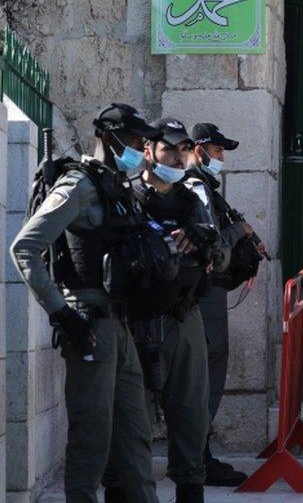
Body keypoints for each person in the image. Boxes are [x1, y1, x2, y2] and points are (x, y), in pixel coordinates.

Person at [9, 103, 160, 503]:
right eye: (131, 140)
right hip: (90, 325)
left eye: (141, 141)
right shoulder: (79, 185)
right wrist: (63, 315)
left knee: (135, 436)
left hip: (120, 324)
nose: (138, 148)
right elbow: (24, 247)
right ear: (107, 137)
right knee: (91, 441)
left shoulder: (117, 186)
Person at [122, 117, 224, 502]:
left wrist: (206, 242)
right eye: (170, 148)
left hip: (183, 317)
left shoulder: (192, 201)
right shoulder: (128, 197)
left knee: (191, 417)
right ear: (149, 151)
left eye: (184, 149)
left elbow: (221, 255)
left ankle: (190, 488)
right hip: (138, 320)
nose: (179, 158)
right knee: (133, 423)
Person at [184, 122, 259, 486]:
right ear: (199, 150)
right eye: (217, 151)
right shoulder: (196, 185)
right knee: (208, 373)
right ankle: (197, 457)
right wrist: (240, 232)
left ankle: (197, 453)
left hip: (207, 289)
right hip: (205, 288)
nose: (221, 158)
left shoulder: (203, 186)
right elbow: (210, 239)